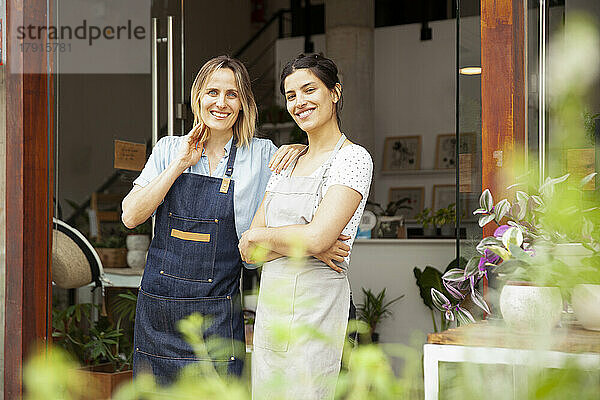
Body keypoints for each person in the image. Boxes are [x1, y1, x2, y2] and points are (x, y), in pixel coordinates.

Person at [121, 55, 350, 384]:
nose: (221, 103)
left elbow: (299, 203)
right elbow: (131, 215)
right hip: (161, 310)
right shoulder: (169, 149)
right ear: (198, 96)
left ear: (243, 103)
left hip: (219, 311)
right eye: (212, 92)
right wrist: (179, 164)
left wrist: (315, 243)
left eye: (232, 94)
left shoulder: (262, 155)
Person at [239, 53, 373, 399]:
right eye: (291, 95)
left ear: (335, 93)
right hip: (273, 313)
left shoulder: (353, 159)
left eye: (309, 89)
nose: (299, 102)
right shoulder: (287, 161)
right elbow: (250, 254)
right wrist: (306, 241)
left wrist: (262, 235)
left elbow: (314, 237)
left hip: (321, 313)